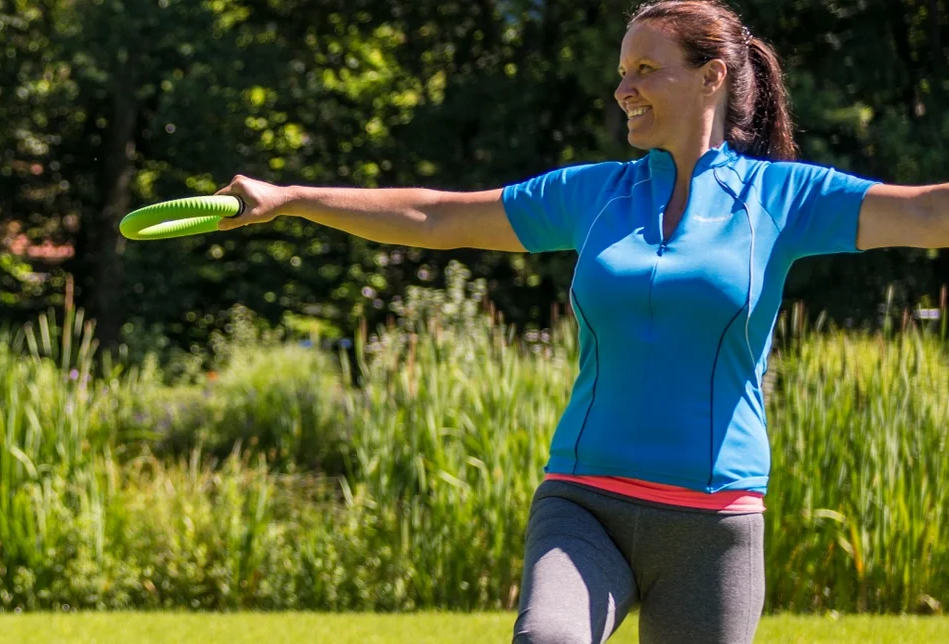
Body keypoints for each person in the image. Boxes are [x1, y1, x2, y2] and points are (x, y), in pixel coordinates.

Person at [214, 1, 946, 642]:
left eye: (644, 69)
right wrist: (293, 196)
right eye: (622, 70)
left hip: (713, 525)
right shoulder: (594, 194)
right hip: (582, 503)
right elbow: (437, 215)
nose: (622, 87)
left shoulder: (780, 200)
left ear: (710, 77)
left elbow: (921, 211)